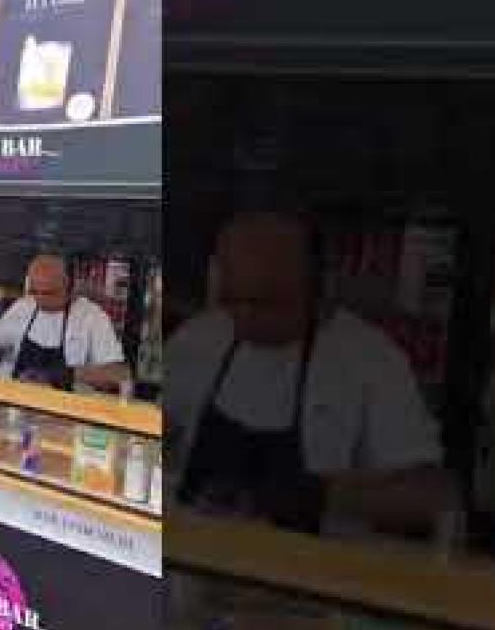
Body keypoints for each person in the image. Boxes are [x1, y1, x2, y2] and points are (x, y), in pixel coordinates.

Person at [165, 211, 455, 537]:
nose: (246, 317)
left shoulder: (370, 361)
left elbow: (429, 495)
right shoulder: (197, 342)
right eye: (234, 301)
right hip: (196, 561)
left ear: (319, 289)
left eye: (266, 304)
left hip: (308, 565)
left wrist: (323, 494)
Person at [0, 255, 130, 392]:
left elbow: (118, 374)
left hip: (66, 405)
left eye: (48, 293)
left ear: (68, 286)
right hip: (17, 401)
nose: (40, 299)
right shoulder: (23, 307)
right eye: (34, 292)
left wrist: (65, 375)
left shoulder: (91, 317)